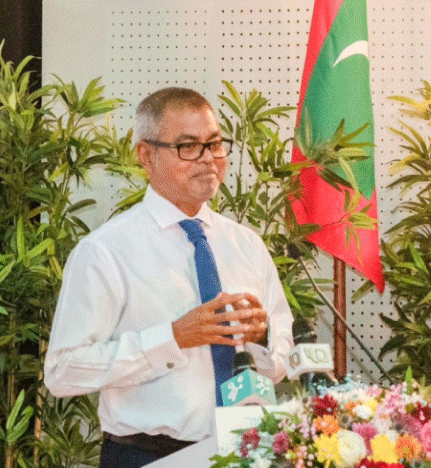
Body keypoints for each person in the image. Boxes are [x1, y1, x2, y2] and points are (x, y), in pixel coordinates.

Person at [44, 87, 293, 468]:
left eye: (215, 144)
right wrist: (173, 338)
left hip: (245, 450)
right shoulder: (106, 251)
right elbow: (63, 372)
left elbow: (280, 362)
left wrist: (262, 338)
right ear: (147, 155)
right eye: (188, 146)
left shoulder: (246, 245)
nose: (208, 159)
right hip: (146, 455)